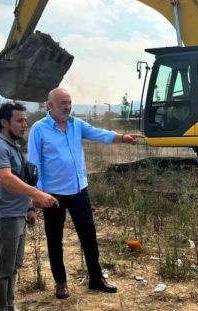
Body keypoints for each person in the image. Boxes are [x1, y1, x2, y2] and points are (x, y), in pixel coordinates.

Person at [28, 88, 138, 299]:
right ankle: (61, 283)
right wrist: (36, 194)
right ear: (49, 106)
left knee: (88, 236)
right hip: (53, 195)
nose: (67, 107)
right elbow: (34, 164)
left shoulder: (76, 125)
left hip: (79, 191)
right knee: (55, 239)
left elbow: (99, 133)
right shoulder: (39, 129)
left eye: (69, 102)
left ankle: (96, 278)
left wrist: (122, 137)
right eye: (62, 103)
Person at [0, 102, 59, 311]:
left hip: (17, 215)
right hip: (4, 216)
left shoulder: (13, 146)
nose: (24, 124)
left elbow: (21, 177)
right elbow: (6, 179)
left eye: (25, 120)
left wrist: (29, 208)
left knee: (13, 267)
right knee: (3, 271)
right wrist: (37, 195)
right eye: (19, 120)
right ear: (4, 122)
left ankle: (9, 307)